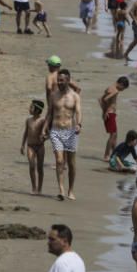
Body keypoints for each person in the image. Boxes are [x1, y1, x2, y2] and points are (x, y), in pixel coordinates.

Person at [46, 69, 82, 201]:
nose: (59, 82)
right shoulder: (53, 95)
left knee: (71, 163)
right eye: (58, 80)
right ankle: (61, 189)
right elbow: (49, 113)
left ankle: (70, 190)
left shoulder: (75, 96)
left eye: (62, 80)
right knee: (59, 160)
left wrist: (79, 124)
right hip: (55, 130)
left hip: (70, 131)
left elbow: (78, 112)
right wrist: (45, 128)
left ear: (68, 80)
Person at [20, 99, 48, 195]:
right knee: (32, 166)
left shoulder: (43, 120)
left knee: (40, 168)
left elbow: (47, 134)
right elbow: (25, 133)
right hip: (30, 146)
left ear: (37, 110)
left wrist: (44, 137)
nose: (29, 108)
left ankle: (40, 188)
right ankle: (34, 187)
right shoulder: (28, 120)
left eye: (31, 107)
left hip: (40, 146)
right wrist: (22, 145)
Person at [98, 76, 129, 162]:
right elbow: (105, 99)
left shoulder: (110, 88)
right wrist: (106, 111)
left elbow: (100, 99)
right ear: (121, 84)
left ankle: (115, 154)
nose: (122, 90)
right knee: (113, 135)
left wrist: (104, 111)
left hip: (110, 114)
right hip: (110, 114)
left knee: (115, 135)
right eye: (123, 88)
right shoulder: (115, 91)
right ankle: (106, 155)